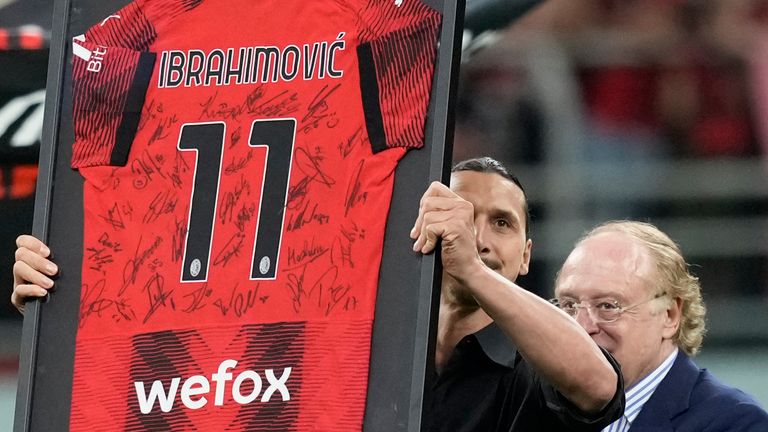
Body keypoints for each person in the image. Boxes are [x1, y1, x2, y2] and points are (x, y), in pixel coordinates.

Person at [13, 156, 625, 431]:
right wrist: (64, 298)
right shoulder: (339, 347)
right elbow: (190, 360)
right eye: (461, 215)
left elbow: (600, 388)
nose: (475, 234)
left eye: (502, 223)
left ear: (526, 256)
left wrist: (475, 274)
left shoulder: (534, 369)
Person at [551, 220, 768, 431]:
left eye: (608, 306)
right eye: (569, 305)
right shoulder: (538, 409)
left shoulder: (735, 423)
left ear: (670, 316)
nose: (581, 326)